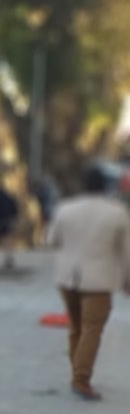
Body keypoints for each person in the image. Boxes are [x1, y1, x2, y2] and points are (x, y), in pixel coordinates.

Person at [46, 167, 130, 401]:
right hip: (99, 279)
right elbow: (126, 251)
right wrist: (127, 280)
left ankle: (77, 373)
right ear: (106, 186)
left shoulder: (65, 208)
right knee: (92, 327)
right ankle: (81, 380)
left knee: (76, 326)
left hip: (67, 277)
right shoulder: (117, 212)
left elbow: (51, 239)